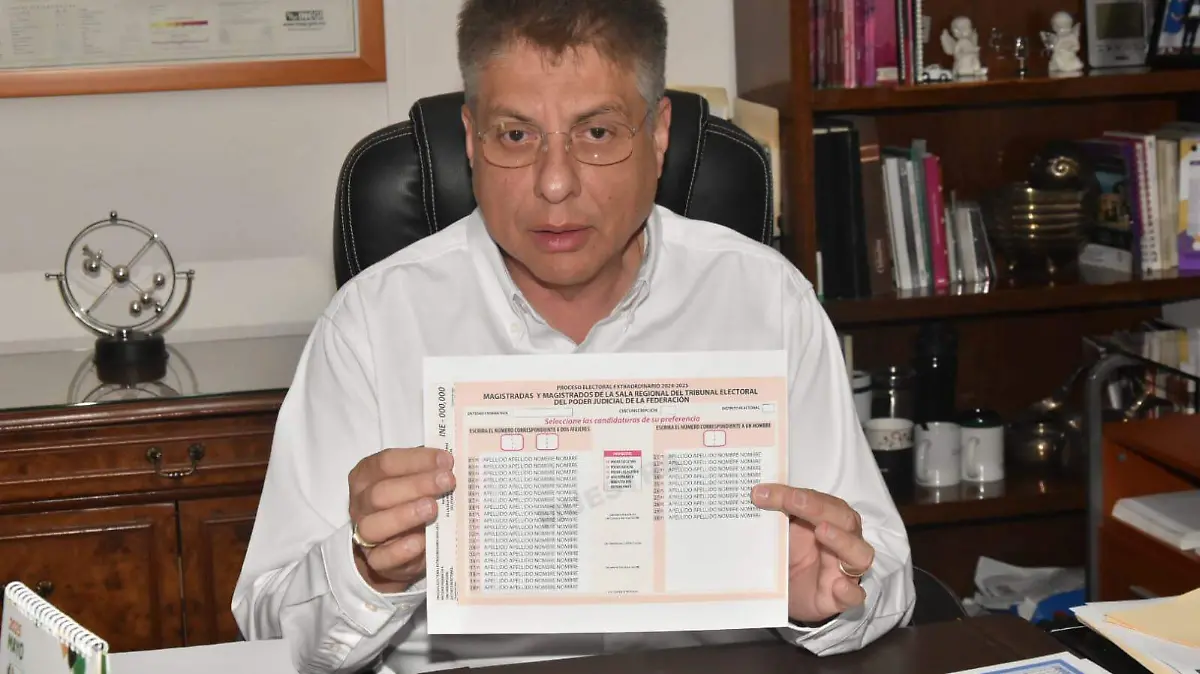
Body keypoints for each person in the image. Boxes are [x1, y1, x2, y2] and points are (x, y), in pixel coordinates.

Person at [231, 1, 915, 672]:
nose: (555, 185)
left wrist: (827, 598)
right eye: (515, 136)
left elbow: (885, 573)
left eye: (597, 133)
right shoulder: (373, 324)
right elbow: (268, 625)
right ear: (471, 139)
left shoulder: (767, 301)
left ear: (658, 134)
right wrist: (365, 571)